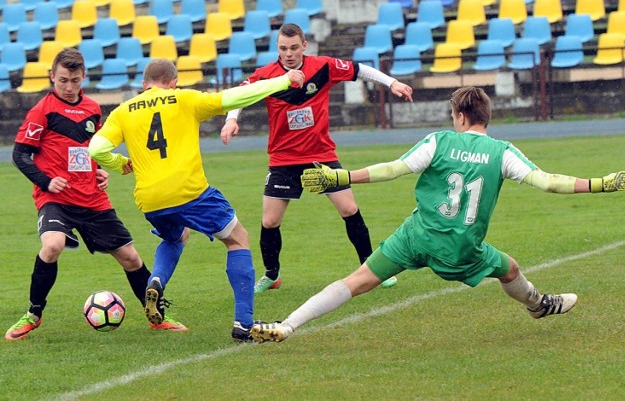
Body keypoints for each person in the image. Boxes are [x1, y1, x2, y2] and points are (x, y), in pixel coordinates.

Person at [250, 86, 625, 343]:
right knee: (510, 269)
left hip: (416, 236)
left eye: (453, 113)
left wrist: (343, 176)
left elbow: (393, 169)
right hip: (461, 248)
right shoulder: (502, 151)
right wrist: (602, 183)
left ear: (462, 116)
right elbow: (550, 182)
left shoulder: (439, 141)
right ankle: (539, 305)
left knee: (357, 280)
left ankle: (287, 324)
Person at [88, 58, 305, 342]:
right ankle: (243, 323)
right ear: (173, 82)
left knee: (175, 238)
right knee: (238, 239)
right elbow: (235, 97)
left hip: (151, 199)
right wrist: (283, 80)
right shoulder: (184, 99)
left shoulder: (124, 111)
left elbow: (95, 148)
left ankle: (156, 281)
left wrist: (118, 163)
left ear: (144, 84)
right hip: (190, 192)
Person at [5, 48, 187, 341]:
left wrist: (99, 169)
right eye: (62, 80)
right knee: (52, 246)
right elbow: (20, 154)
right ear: (52, 76)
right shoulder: (42, 110)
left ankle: (158, 316)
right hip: (56, 199)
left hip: (91, 198)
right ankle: (33, 314)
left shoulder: (92, 109)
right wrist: (47, 181)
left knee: (130, 257)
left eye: (74, 80)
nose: (67, 86)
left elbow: (92, 148)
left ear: (83, 78)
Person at [221, 23, 414, 293]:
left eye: (293, 48)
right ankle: (272, 275)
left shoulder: (323, 67)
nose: (288, 54)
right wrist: (231, 120)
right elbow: (238, 96)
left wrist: (392, 82)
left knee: (349, 209)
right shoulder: (266, 75)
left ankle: (372, 268)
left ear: (304, 47)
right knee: (270, 221)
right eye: (283, 48)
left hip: (320, 155)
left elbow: (360, 70)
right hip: (283, 159)